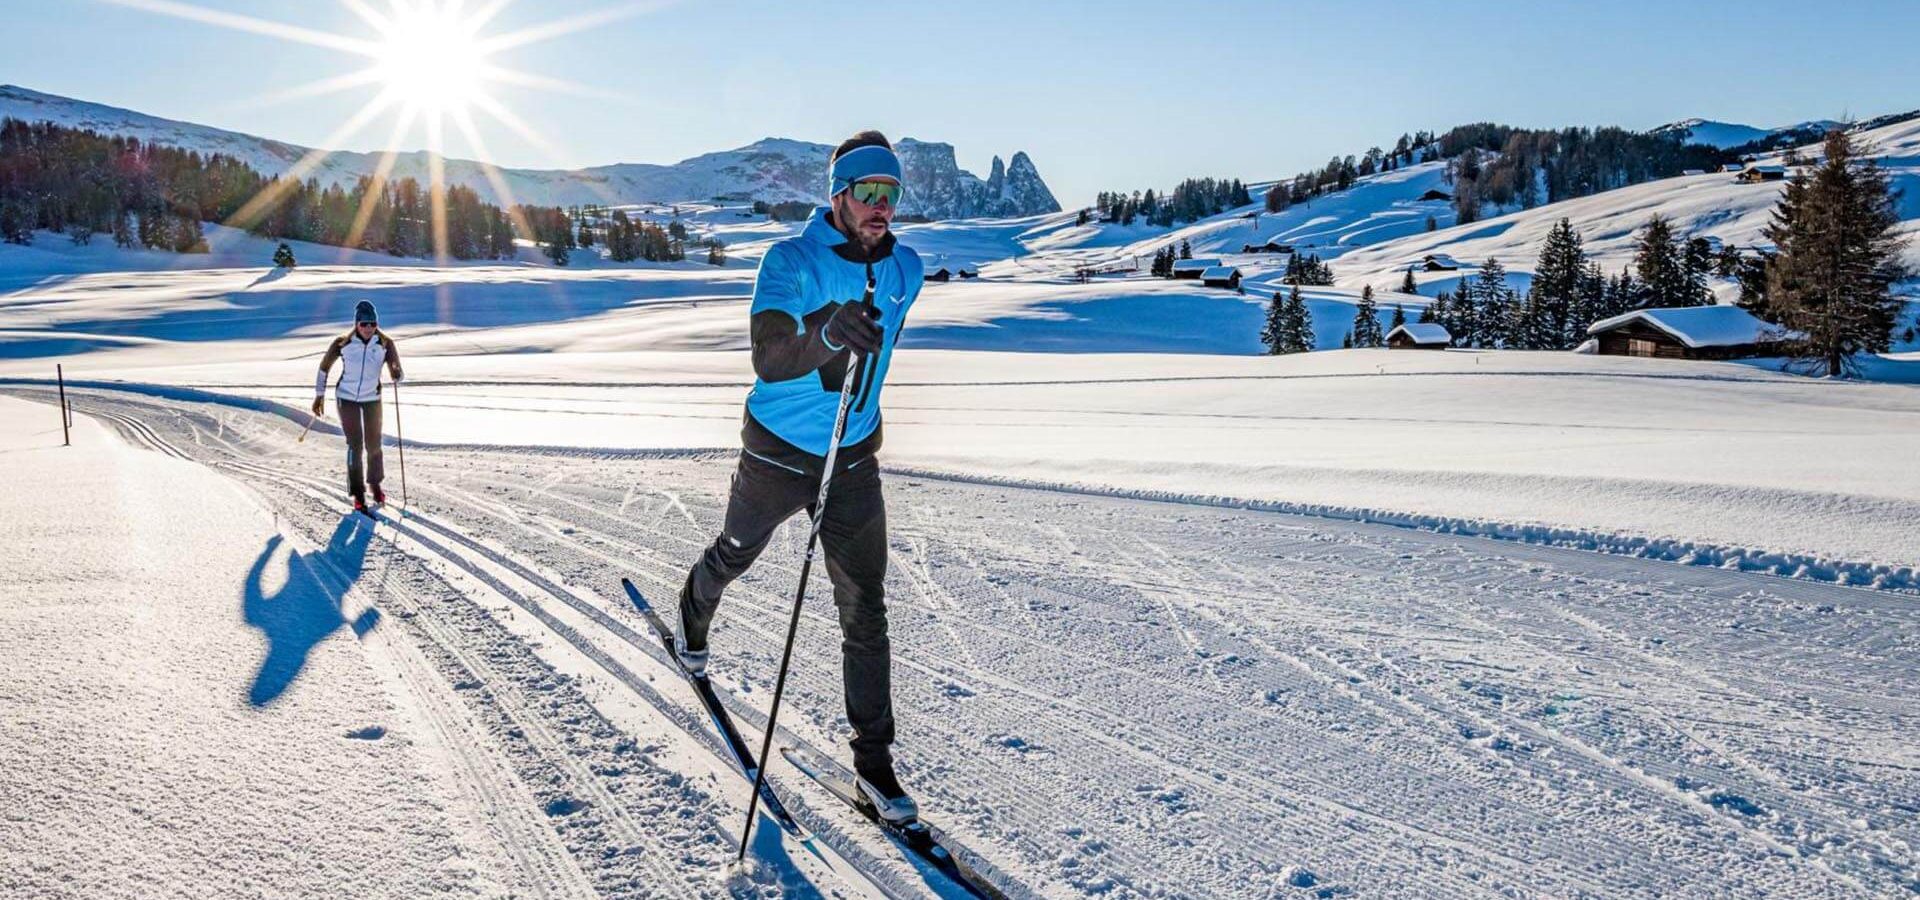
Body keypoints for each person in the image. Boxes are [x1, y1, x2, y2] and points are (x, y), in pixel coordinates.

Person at [675, 130, 925, 823]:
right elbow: (769, 356)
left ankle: (874, 767)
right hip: (779, 453)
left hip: (851, 458)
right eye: (868, 193)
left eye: (891, 194)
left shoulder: (907, 269)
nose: (881, 206)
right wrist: (827, 334)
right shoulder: (789, 260)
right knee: (736, 553)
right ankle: (691, 618)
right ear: (838, 194)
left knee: (863, 605)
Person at [313, 300, 403, 513]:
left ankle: (375, 484)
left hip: (372, 398)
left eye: (372, 323)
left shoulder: (385, 344)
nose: (368, 328)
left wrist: (397, 373)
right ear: (356, 324)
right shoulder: (342, 344)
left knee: (374, 444)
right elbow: (324, 368)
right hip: (347, 398)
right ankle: (358, 493)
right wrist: (319, 395)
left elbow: (397, 369)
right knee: (355, 444)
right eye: (364, 324)